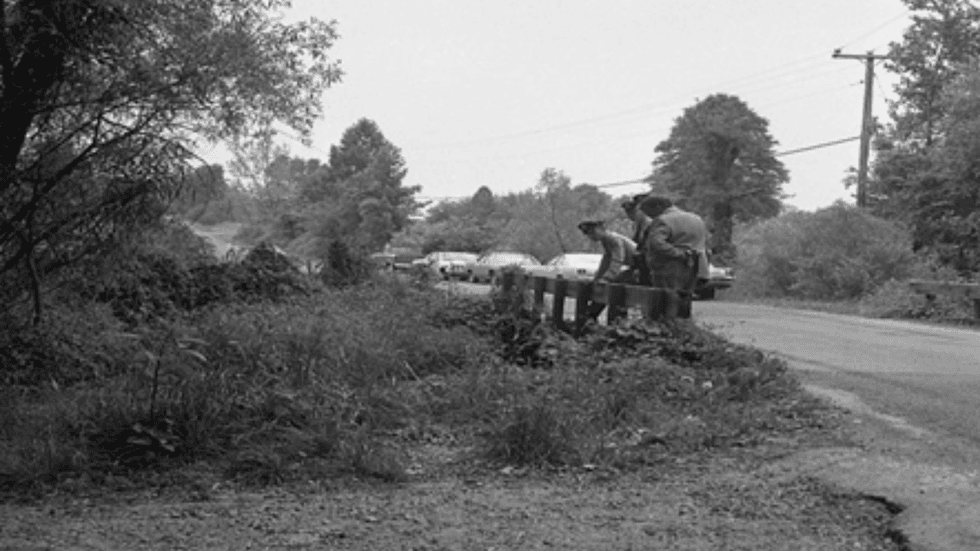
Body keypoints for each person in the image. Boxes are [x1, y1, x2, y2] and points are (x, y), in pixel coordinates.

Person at [636, 195, 710, 298]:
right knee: (683, 301)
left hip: (669, 269)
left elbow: (656, 243)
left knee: (665, 302)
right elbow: (704, 242)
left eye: (649, 213)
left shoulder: (663, 220)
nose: (650, 217)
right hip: (695, 267)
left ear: (658, 207)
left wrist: (679, 253)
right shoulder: (697, 219)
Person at [577, 220, 636, 320]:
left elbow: (617, 260)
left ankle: (614, 321)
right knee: (605, 287)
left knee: (615, 287)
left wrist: (607, 278)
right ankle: (590, 316)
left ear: (601, 228)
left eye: (593, 232)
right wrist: (597, 279)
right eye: (588, 234)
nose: (591, 236)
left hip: (642, 269)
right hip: (634, 269)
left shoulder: (613, 239)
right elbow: (606, 261)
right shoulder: (606, 241)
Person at [620, 194, 654, 285]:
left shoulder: (648, 222)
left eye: (633, 212)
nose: (630, 216)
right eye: (628, 213)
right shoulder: (636, 224)